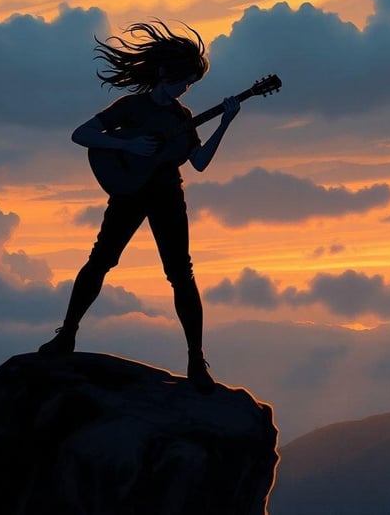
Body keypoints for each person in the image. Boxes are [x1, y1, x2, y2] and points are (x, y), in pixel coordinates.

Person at [38, 20, 240, 393]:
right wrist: (127, 146)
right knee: (101, 261)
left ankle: (197, 360)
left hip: (167, 196)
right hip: (129, 193)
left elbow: (198, 162)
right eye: (184, 80)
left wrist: (225, 123)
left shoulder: (182, 117)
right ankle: (66, 336)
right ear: (164, 73)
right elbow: (81, 134)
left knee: (181, 274)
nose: (186, 88)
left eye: (191, 84)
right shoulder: (131, 107)